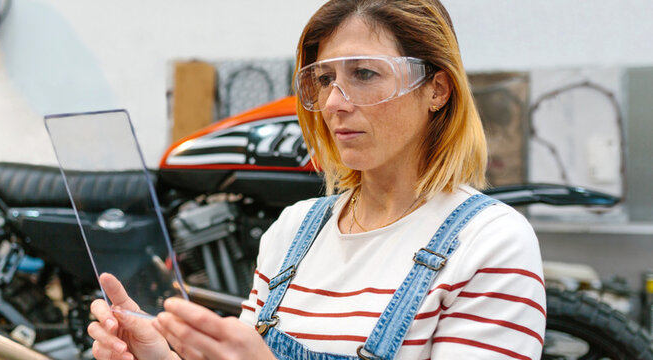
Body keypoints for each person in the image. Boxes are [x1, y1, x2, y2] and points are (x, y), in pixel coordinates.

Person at [88, 0, 545, 359]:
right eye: (324, 79)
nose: (333, 103)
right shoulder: (294, 230)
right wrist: (155, 355)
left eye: (364, 74)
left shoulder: (489, 242)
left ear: (437, 90)